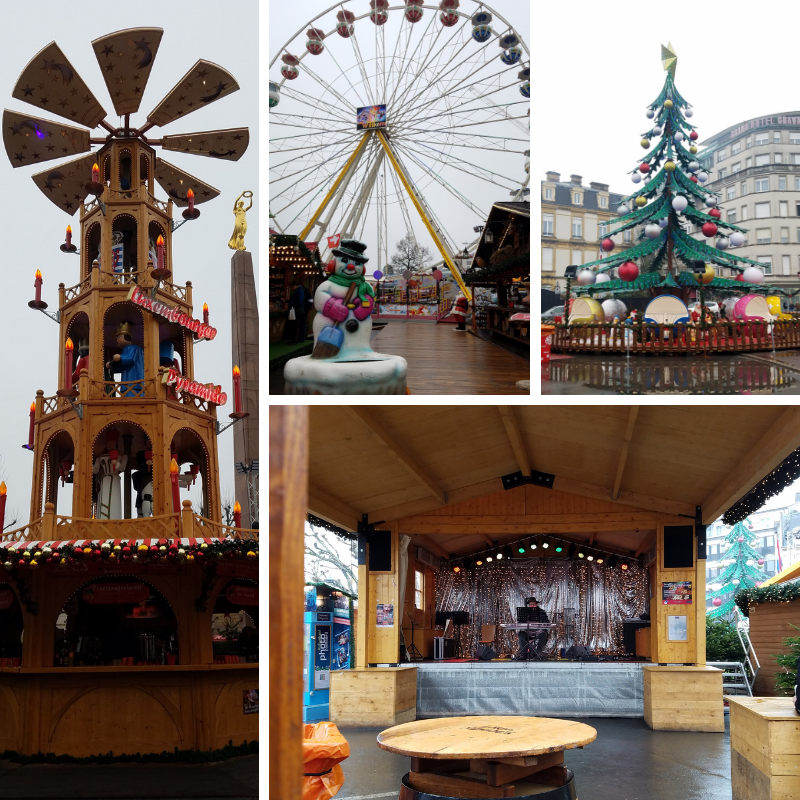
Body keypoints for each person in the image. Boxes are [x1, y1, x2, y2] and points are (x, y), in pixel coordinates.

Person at [288, 279, 308, 345]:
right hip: (297, 309)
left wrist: (293, 305)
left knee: (296, 325)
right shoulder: (299, 290)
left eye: (291, 287)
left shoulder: (299, 291)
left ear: (294, 286)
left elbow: (299, 301)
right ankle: (295, 339)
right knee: (295, 324)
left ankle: (295, 340)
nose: (291, 288)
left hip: (297, 309)